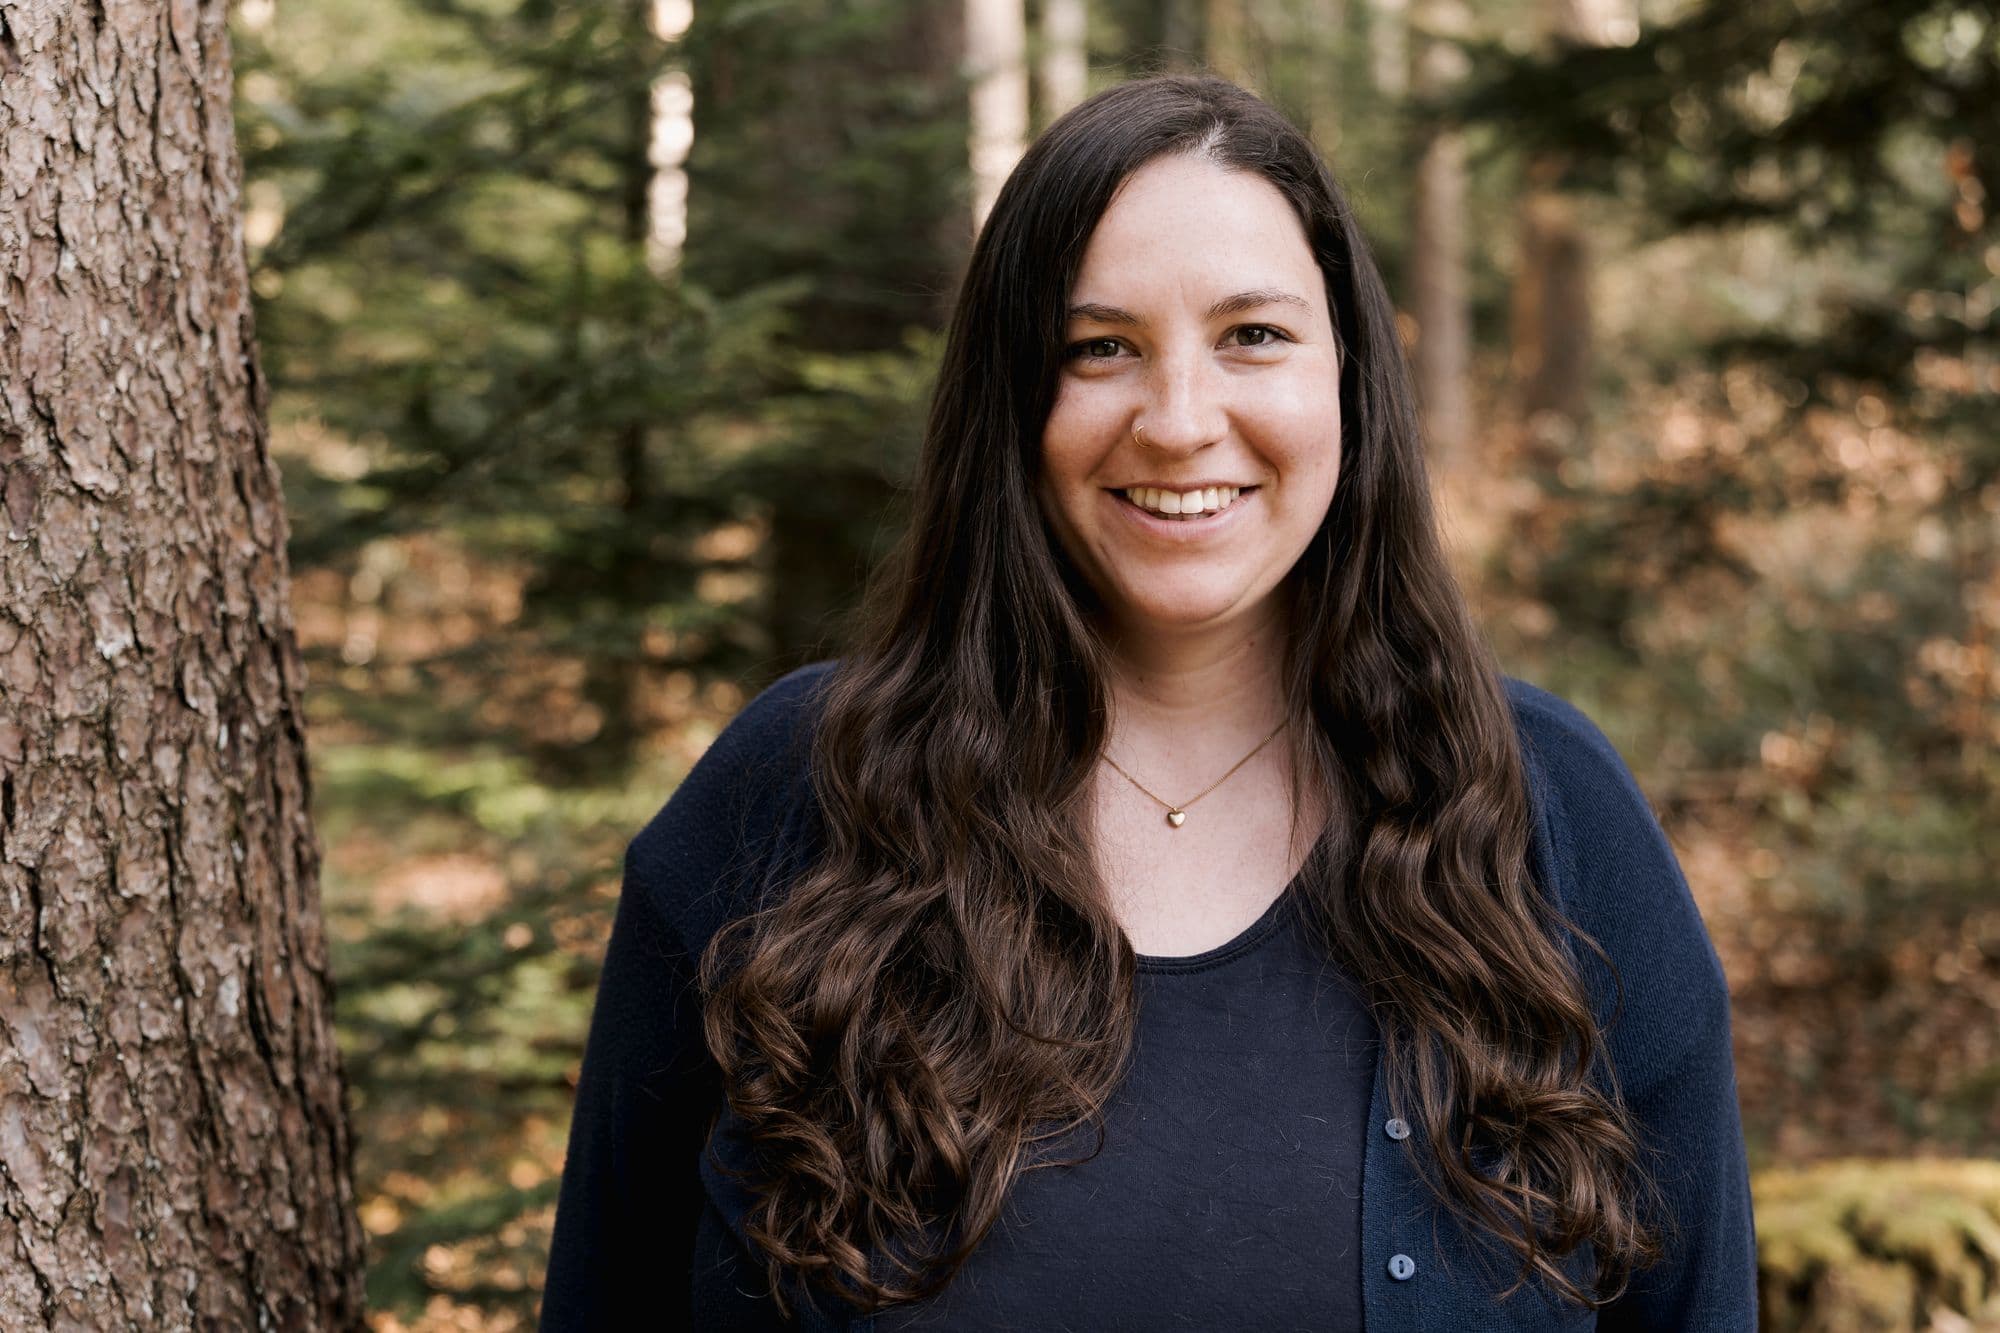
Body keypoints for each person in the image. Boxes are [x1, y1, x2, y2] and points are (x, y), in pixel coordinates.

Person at [539, 73, 1757, 1331]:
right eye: (1098, 347)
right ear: (1012, 397)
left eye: (1253, 336)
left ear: (1349, 373)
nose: (1179, 423)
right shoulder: (787, 796)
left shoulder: (1553, 815)